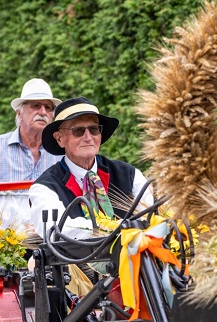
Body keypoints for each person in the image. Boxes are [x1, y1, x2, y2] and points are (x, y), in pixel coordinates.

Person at [28, 97, 151, 234]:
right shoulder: (44, 187)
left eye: (94, 129)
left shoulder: (129, 174)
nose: (88, 137)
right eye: (78, 130)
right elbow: (56, 230)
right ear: (60, 138)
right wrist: (113, 227)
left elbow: (153, 216)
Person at [0, 78, 61, 184]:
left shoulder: (61, 152)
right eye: (36, 105)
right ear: (19, 113)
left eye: (48, 107)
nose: (43, 112)